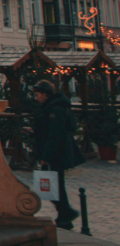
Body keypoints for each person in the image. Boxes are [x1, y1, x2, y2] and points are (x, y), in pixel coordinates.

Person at [32, 79, 84, 229]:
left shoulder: (56, 108)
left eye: (37, 95)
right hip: (54, 151)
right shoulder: (52, 106)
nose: (36, 98)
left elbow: (56, 134)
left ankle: (66, 213)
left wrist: (46, 158)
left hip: (57, 153)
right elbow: (47, 129)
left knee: (52, 186)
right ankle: (64, 217)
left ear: (45, 94)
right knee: (55, 185)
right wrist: (34, 133)